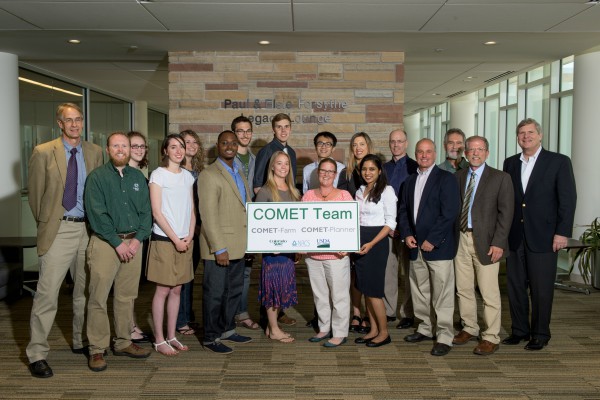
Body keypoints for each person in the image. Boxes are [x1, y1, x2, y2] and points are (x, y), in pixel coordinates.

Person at [26, 103, 103, 378]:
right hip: (59, 230)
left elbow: (98, 190)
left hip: (87, 231)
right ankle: (37, 353)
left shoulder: (95, 151)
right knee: (47, 294)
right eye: (68, 120)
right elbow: (36, 197)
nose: (74, 125)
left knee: (84, 291)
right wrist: (49, 223)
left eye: (78, 119)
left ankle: (80, 340)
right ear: (59, 123)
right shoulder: (43, 152)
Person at [502, 118, 577, 351]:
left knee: (541, 288)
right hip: (515, 236)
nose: (526, 136)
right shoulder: (510, 163)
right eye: (521, 133)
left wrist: (562, 233)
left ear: (540, 135)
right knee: (515, 286)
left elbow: (568, 200)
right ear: (517, 137)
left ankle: (541, 334)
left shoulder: (558, 162)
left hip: (544, 236)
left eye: (530, 132)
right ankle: (519, 331)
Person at [84, 132, 153, 372]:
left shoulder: (137, 177)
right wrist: (117, 243)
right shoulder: (97, 178)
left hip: (134, 242)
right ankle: (97, 349)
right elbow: (96, 215)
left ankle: (123, 342)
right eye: (116, 145)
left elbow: (146, 212)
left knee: (126, 296)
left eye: (125, 145)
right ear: (108, 149)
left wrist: (136, 241)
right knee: (98, 297)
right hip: (106, 243)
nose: (121, 149)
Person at [453, 136, 514, 355]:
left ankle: (491, 336)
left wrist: (499, 243)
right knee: (463, 289)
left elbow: (506, 215)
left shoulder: (500, 178)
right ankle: (469, 327)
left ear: (487, 153)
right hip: (460, 239)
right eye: (471, 149)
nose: (475, 153)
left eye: (480, 149)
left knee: (489, 292)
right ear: (465, 153)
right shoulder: (458, 176)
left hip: (488, 242)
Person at [399, 138, 460, 356]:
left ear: (435, 153)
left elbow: (450, 213)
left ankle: (444, 335)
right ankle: (424, 328)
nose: (424, 155)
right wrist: (406, 234)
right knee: (419, 290)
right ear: (415, 154)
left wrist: (432, 239)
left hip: (439, 247)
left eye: (428, 152)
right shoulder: (410, 181)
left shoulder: (446, 179)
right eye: (420, 152)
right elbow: (403, 210)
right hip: (415, 246)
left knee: (442, 293)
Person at [198, 130, 253, 354]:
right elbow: (208, 215)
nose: (229, 146)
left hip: (239, 245)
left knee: (233, 291)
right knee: (215, 293)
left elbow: (244, 208)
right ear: (218, 146)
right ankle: (211, 337)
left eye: (233, 143)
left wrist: (251, 243)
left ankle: (228, 329)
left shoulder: (238, 171)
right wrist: (219, 248)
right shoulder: (209, 175)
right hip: (219, 248)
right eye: (224, 143)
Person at [147, 134, 196, 356]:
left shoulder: (188, 177)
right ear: (165, 151)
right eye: (173, 147)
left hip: (186, 240)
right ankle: (159, 339)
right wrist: (176, 239)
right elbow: (157, 212)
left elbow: (192, 209)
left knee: (177, 289)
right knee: (163, 289)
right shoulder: (158, 175)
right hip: (166, 240)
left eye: (181, 147)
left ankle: (171, 335)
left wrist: (190, 235)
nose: (178, 151)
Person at [252, 113, 297, 327]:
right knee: (273, 278)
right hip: (272, 227)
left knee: (284, 279)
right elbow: (257, 186)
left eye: (286, 126)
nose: (283, 130)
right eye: (279, 127)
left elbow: (291, 184)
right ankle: (269, 320)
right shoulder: (266, 152)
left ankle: (278, 316)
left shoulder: (293, 153)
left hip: (288, 231)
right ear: (273, 129)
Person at [302, 158, 353, 347]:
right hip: (313, 256)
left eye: (331, 171)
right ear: (317, 172)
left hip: (337, 256)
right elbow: (302, 225)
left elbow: (351, 226)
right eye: (323, 170)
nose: (326, 174)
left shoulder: (344, 196)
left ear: (335, 175)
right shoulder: (308, 196)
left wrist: (347, 245)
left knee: (339, 295)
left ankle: (340, 332)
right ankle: (324, 327)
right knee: (320, 294)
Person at [255, 151, 301, 343]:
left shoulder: (293, 191)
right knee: (273, 289)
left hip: (288, 251)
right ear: (272, 166)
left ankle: (270, 327)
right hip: (273, 253)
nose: (283, 167)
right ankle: (274, 328)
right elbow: (257, 224)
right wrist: (267, 245)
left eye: (287, 164)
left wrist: (298, 247)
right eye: (279, 163)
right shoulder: (266, 191)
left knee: (282, 288)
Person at [353, 154, 397, 348]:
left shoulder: (387, 191)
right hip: (360, 241)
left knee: (374, 291)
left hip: (377, 243)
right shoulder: (359, 191)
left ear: (379, 171)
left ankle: (384, 333)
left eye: (372, 169)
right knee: (364, 288)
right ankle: (373, 329)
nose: (367, 173)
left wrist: (371, 243)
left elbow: (390, 223)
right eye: (364, 169)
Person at [337, 132, 374, 333]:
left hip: (370, 227)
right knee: (353, 273)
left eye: (362, 144)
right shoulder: (346, 172)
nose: (358, 148)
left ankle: (370, 314)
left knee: (368, 273)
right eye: (355, 145)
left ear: (368, 146)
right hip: (351, 228)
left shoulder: (376, 169)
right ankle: (356, 313)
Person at [383, 129, 418, 330]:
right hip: (387, 229)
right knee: (389, 271)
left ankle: (408, 313)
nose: (396, 145)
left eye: (399, 141)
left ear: (406, 143)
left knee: (409, 272)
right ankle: (388, 311)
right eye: (392, 141)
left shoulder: (415, 167)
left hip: (408, 229)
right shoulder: (383, 168)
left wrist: (406, 228)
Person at [231, 116, 260, 331]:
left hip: (251, 222)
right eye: (240, 131)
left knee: (247, 271)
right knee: (231, 270)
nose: (244, 135)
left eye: (247, 130)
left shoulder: (255, 159)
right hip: (233, 222)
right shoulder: (228, 159)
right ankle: (228, 313)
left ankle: (241, 313)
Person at [176, 129, 204, 336]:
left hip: (199, 228)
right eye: (187, 142)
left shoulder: (199, 171)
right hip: (183, 229)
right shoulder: (175, 171)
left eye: (195, 142)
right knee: (182, 277)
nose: (192, 145)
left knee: (191, 275)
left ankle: (186, 314)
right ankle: (181, 320)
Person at [127, 131, 152, 344]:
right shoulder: (121, 173)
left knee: (133, 286)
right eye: (134, 145)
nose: (138, 150)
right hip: (125, 238)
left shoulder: (141, 177)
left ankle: (131, 324)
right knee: (126, 287)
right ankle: (129, 327)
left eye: (141, 146)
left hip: (139, 236)